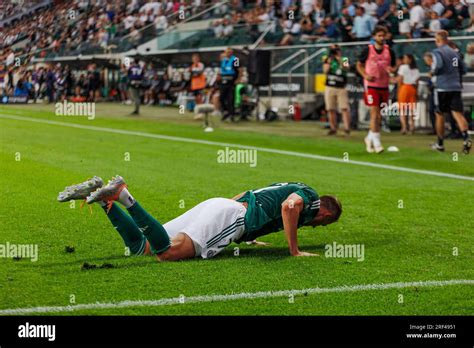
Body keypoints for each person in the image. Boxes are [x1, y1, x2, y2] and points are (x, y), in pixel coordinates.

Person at [57, 177, 342, 260]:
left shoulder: (292, 184)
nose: (318, 226)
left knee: (142, 247)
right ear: (326, 214)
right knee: (167, 253)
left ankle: (101, 197)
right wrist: (294, 250)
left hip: (220, 206)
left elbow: (252, 195)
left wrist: (250, 234)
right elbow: (289, 208)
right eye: (324, 223)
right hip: (230, 216)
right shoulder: (311, 198)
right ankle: (122, 194)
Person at [430, 30, 471, 154]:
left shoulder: (437, 51)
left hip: (443, 87)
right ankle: (466, 139)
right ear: (447, 39)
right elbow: (463, 69)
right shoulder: (454, 53)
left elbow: (438, 65)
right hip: (456, 87)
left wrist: (433, 72)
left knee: (440, 114)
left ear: (437, 40)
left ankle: (440, 144)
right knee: (457, 113)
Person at [356, 25, 396, 153]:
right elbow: (359, 65)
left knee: (379, 115)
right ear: (374, 37)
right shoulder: (367, 50)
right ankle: (377, 142)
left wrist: (392, 71)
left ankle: (369, 137)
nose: (382, 38)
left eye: (383, 35)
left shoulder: (389, 51)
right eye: (379, 35)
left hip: (384, 85)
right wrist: (365, 75)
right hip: (371, 85)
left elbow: (393, 66)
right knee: (374, 113)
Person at [323, 45, 351, 135]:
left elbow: (346, 68)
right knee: (331, 109)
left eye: (336, 50)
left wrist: (339, 59)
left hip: (341, 87)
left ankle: (347, 128)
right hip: (330, 86)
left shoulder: (344, 59)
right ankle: (333, 128)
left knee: (344, 108)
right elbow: (325, 71)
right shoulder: (327, 59)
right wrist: (329, 62)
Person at [397, 54, 420, 134]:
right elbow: (417, 82)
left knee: (402, 109)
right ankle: (412, 126)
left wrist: (398, 90)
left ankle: (404, 127)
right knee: (412, 109)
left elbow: (400, 79)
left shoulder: (403, 67)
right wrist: (416, 91)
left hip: (404, 87)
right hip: (412, 88)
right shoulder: (416, 69)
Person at [219, 48, 239, 122]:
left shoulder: (235, 59)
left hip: (232, 80)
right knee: (221, 97)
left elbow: (238, 70)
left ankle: (232, 115)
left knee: (231, 99)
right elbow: (222, 70)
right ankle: (226, 111)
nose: (228, 53)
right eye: (227, 52)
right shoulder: (223, 60)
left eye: (230, 52)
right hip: (224, 80)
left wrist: (237, 79)